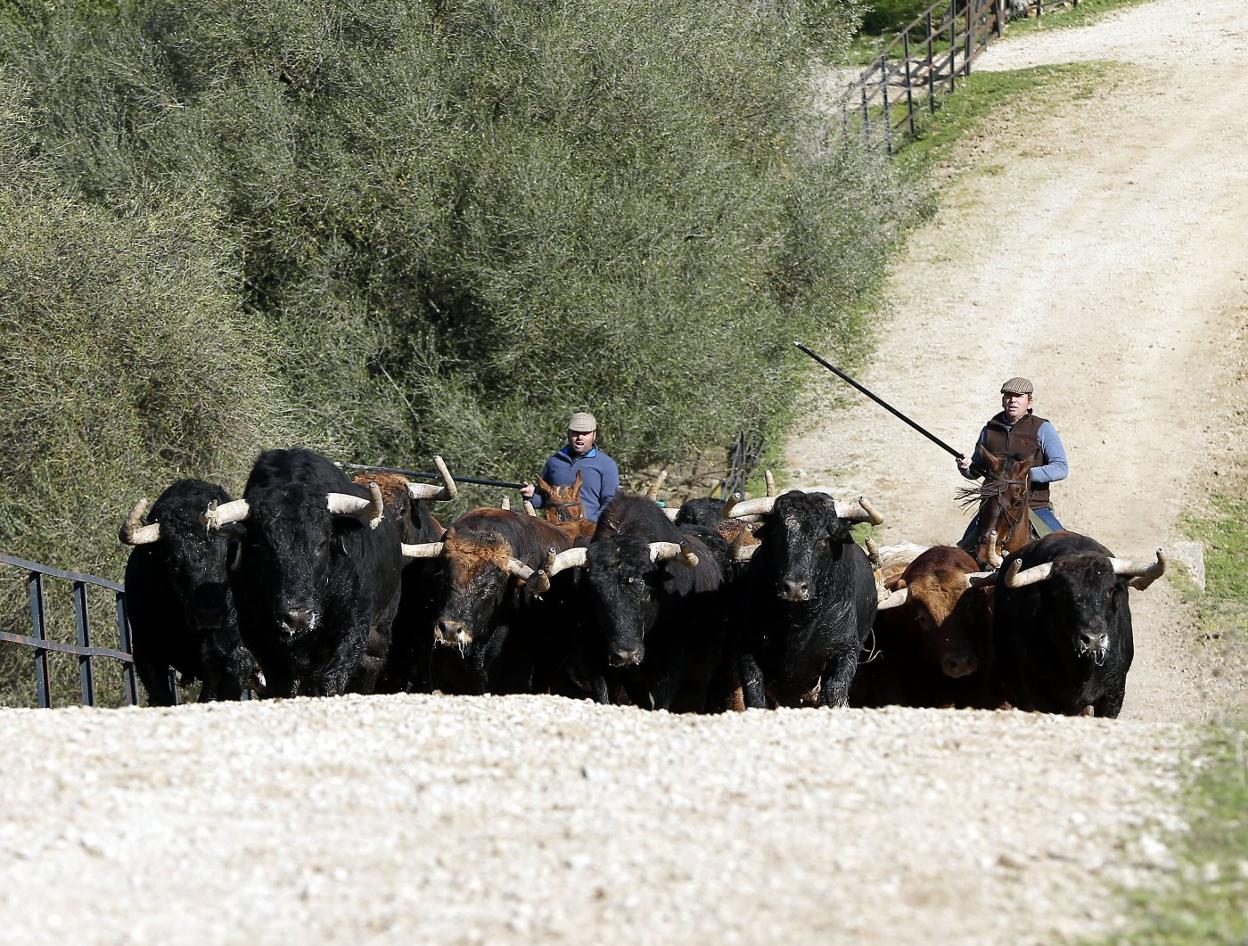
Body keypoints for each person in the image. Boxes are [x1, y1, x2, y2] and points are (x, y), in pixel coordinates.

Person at [956, 377, 1068, 550]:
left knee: (1062, 550)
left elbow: (1061, 468)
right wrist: (965, 467)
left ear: (1029, 402)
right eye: (1008, 395)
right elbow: (975, 472)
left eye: (1018, 396)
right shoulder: (989, 430)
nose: (1012, 400)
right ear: (1003, 400)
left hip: (1034, 507)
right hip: (993, 508)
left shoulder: (1042, 428)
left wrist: (1023, 474)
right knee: (964, 551)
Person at [520, 411, 620, 523]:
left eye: (585, 433)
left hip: (589, 534)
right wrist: (530, 495)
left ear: (594, 435)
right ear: (568, 433)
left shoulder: (606, 464)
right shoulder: (554, 462)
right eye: (575, 433)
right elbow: (544, 501)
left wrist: (591, 523)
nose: (580, 437)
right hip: (557, 532)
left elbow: (611, 502)